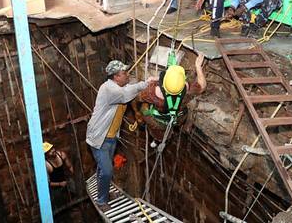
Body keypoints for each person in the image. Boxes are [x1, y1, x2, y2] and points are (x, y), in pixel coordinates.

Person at [86, 60, 154, 211]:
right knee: (108, 170)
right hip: (100, 138)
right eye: (124, 73)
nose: (127, 75)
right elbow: (126, 94)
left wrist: (145, 83)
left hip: (111, 137)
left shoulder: (118, 85)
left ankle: (103, 193)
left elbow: (129, 87)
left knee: (103, 169)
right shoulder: (110, 90)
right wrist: (146, 83)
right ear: (116, 77)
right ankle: (102, 201)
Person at [134, 53, 206, 141]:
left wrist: (153, 79)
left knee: (144, 109)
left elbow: (137, 97)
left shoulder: (151, 92)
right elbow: (202, 86)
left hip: (156, 121)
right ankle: (166, 136)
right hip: (176, 119)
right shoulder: (187, 91)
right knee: (167, 129)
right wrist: (198, 66)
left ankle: (158, 139)